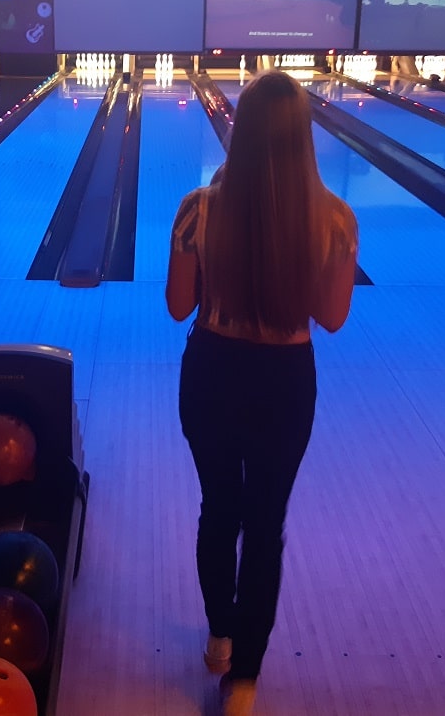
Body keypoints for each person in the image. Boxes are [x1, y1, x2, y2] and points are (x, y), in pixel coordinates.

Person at [166, 70, 358, 716]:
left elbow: (177, 306)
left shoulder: (198, 209)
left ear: (239, 134)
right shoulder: (335, 220)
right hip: (285, 382)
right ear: (305, 138)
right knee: (264, 525)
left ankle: (221, 637)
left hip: (213, 371)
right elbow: (332, 318)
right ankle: (244, 680)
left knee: (219, 509)